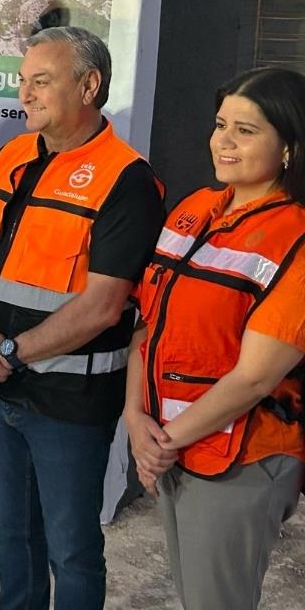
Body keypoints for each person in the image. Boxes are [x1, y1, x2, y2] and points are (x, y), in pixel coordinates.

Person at [0, 26, 165, 610]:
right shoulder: (10, 155)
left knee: (71, 548)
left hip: (70, 401)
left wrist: (5, 355)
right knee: (11, 532)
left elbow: (103, 306)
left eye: (42, 81)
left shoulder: (127, 179)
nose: (25, 95)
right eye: (22, 81)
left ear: (89, 86)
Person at [125, 67, 305, 610]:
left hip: (241, 457)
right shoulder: (195, 209)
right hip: (170, 444)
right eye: (220, 124)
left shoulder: (295, 235)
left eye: (245, 131)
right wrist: (136, 420)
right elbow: (147, 323)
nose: (222, 142)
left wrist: (165, 441)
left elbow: (256, 375)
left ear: (290, 147)